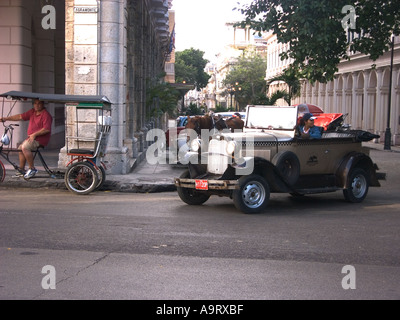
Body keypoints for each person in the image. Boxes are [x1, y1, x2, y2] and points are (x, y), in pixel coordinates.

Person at [0, 99, 52, 179]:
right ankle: (21, 170)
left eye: (39, 104)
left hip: (40, 139)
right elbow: (20, 116)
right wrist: (6, 118)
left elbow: (46, 129)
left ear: (43, 104)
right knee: (20, 148)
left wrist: (34, 134)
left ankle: (32, 169)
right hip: (31, 138)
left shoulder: (46, 115)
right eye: (35, 103)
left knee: (25, 147)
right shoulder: (32, 112)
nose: (36, 105)